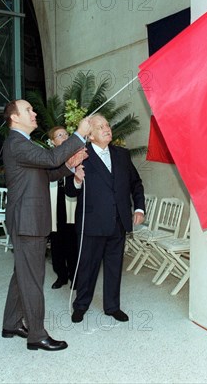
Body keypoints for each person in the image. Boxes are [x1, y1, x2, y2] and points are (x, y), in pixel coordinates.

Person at [1, 99, 91, 352]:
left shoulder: (23, 143)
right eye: (28, 110)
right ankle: (36, 335)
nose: (34, 112)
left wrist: (69, 165)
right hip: (27, 221)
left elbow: (47, 171)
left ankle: (11, 323)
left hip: (30, 220)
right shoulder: (17, 142)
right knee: (32, 278)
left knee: (23, 273)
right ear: (14, 118)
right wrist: (79, 134)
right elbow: (50, 158)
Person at [66, 114, 145, 323]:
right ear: (90, 135)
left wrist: (139, 208)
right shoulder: (81, 155)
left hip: (118, 222)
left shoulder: (122, 155)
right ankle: (81, 305)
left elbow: (136, 184)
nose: (106, 128)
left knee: (114, 267)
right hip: (91, 224)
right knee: (87, 268)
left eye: (107, 125)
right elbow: (70, 192)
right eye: (100, 127)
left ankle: (112, 307)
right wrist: (76, 179)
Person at [47, 126, 79, 289]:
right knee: (57, 242)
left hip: (71, 201)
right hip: (54, 201)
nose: (65, 137)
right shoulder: (48, 158)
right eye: (60, 135)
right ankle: (61, 276)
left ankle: (75, 276)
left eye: (66, 134)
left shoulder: (77, 155)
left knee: (72, 241)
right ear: (53, 141)